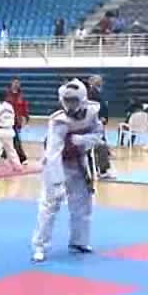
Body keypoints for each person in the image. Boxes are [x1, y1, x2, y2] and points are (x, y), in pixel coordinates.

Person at [31, 79, 104, 263]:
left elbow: (99, 136)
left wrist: (81, 140)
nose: (70, 104)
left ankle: (79, 241)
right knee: (50, 205)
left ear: (83, 99)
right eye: (67, 100)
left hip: (79, 161)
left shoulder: (92, 113)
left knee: (83, 203)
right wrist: (57, 182)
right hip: (56, 164)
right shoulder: (59, 121)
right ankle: (40, 246)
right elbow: (53, 153)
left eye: (73, 100)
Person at [6, 77, 29, 165]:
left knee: (14, 139)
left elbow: (24, 108)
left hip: (16, 120)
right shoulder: (7, 95)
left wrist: (26, 117)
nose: (16, 84)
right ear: (11, 84)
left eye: (17, 83)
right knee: (10, 140)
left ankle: (21, 158)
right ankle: (21, 158)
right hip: (7, 120)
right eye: (14, 83)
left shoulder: (21, 96)